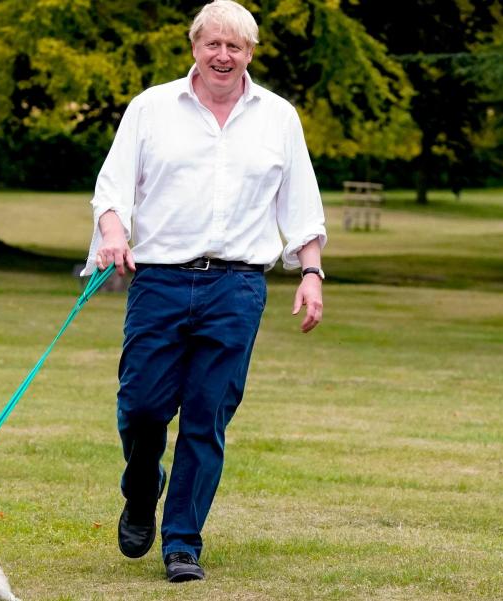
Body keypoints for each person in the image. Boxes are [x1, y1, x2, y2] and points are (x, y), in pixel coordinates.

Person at [81, 0, 326, 583]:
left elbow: (300, 203)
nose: (223, 56)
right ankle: (142, 490)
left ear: (250, 54)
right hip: (160, 280)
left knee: (206, 416)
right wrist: (113, 232)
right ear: (194, 46)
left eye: (235, 47)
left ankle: (182, 543)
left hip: (238, 287)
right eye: (213, 44)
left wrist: (312, 273)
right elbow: (112, 186)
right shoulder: (151, 108)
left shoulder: (278, 117)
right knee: (141, 407)